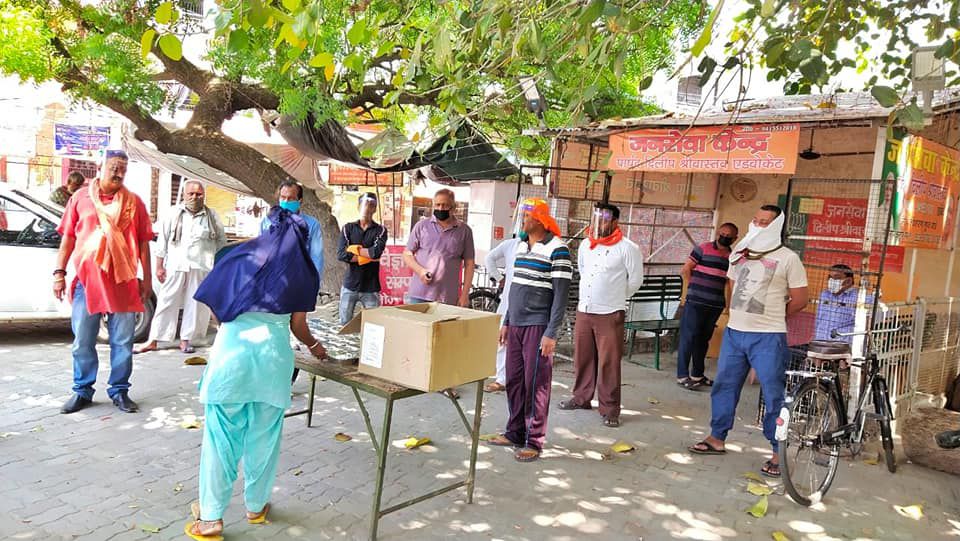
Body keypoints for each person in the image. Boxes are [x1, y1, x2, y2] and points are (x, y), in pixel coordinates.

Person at [185, 206, 327, 540]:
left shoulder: (239, 256)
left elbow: (218, 309)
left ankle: (210, 519)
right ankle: (256, 506)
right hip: (273, 364)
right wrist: (316, 347)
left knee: (221, 442)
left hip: (231, 361)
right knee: (264, 438)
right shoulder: (303, 272)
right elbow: (298, 326)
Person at [688, 204, 808, 479]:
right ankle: (717, 438)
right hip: (734, 333)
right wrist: (732, 315)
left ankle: (778, 451)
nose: (757, 225)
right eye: (755, 220)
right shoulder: (738, 254)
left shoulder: (788, 258)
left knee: (773, 393)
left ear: (776, 226)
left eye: (764, 222)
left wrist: (775, 316)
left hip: (768, 336)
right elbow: (730, 285)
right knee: (724, 386)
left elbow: (801, 299)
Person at [53, 150, 153, 414]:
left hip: (124, 282)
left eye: (123, 168)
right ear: (100, 167)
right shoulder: (80, 198)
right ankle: (82, 391)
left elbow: (143, 243)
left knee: (123, 342)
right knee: (83, 341)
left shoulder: (134, 202)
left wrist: (148, 280)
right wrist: (59, 272)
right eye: (114, 167)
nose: (118, 172)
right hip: (87, 283)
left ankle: (119, 391)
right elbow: (68, 239)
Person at [488, 199, 572, 462]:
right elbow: (514, 288)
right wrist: (507, 321)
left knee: (536, 384)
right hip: (516, 325)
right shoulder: (522, 246)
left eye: (526, 216)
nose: (522, 221)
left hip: (538, 326)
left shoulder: (558, 250)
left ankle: (534, 441)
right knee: (513, 379)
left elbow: (560, 297)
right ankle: (514, 431)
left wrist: (551, 333)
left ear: (539, 219)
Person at [559, 203, 643, 427]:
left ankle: (610, 408)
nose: (599, 223)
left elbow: (635, 281)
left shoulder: (628, 248)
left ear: (615, 222)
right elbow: (583, 270)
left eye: (604, 219)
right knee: (583, 357)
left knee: (609, 362)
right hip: (585, 309)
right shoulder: (586, 244)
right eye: (596, 218)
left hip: (610, 312)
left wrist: (615, 296)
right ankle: (581, 398)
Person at [136, 181, 225, 354]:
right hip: (176, 264)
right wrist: (159, 266)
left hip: (200, 265)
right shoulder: (173, 214)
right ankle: (153, 339)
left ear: (203, 195)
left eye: (198, 194)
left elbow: (221, 241)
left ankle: (186, 340)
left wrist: (210, 257)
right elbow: (162, 241)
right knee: (166, 301)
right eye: (190, 194)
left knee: (195, 304)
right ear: (184, 195)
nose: (194, 197)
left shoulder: (211, 215)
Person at [675, 223, 739, 390]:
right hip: (695, 302)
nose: (724, 237)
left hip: (715, 304)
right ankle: (682, 376)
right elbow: (686, 269)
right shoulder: (702, 248)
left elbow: (729, 283)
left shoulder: (732, 258)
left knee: (703, 340)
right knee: (688, 338)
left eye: (729, 235)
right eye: (722, 233)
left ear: (735, 239)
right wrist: (692, 288)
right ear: (718, 233)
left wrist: (728, 305)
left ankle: (697, 375)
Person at [402, 188, 475, 307]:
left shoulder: (464, 231)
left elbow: (469, 264)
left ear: (454, 207)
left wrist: (465, 294)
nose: (441, 208)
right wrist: (420, 271)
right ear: (433, 205)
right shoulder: (422, 226)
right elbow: (407, 254)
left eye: (445, 205)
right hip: (419, 295)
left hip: (447, 297)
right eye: (438, 204)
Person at [260, 180, 324, 286]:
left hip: (300, 279)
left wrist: (314, 283)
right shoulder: (267, 221)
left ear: (300, 201)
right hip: (273, 279)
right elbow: (261, 251)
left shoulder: (312, 224)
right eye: (283, 197)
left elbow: (316, 256)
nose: (285, 201)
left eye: (290, 198)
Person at [337, 192, 387, 324]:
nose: (367, 208)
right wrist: (366, 256)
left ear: (375, 209)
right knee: (344, 324)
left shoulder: (381, 230)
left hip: (371, 287)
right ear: (358, 207)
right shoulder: (348, 228)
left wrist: (355, 249)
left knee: (373, 325)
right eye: (364, 204)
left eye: (371, 205)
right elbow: (341, 254)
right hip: (350, 285)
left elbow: (376, 253)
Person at [483, 235, 520, 393]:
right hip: (508, 300)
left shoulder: (542, 247)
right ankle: (502, 378)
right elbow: (489, 258)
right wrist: (499, 278)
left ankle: (520, 379)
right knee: (502, 339)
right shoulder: (511, 245)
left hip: (530, 302)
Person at [813, 264, 873, 343]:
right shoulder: (824, 294)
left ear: (848, 281)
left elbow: (880, 312)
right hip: (820, 342)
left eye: (836, 278)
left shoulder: (860, 298)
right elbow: (818, 319)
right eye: (830, 278)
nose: (831, 280)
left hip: (843, 346)